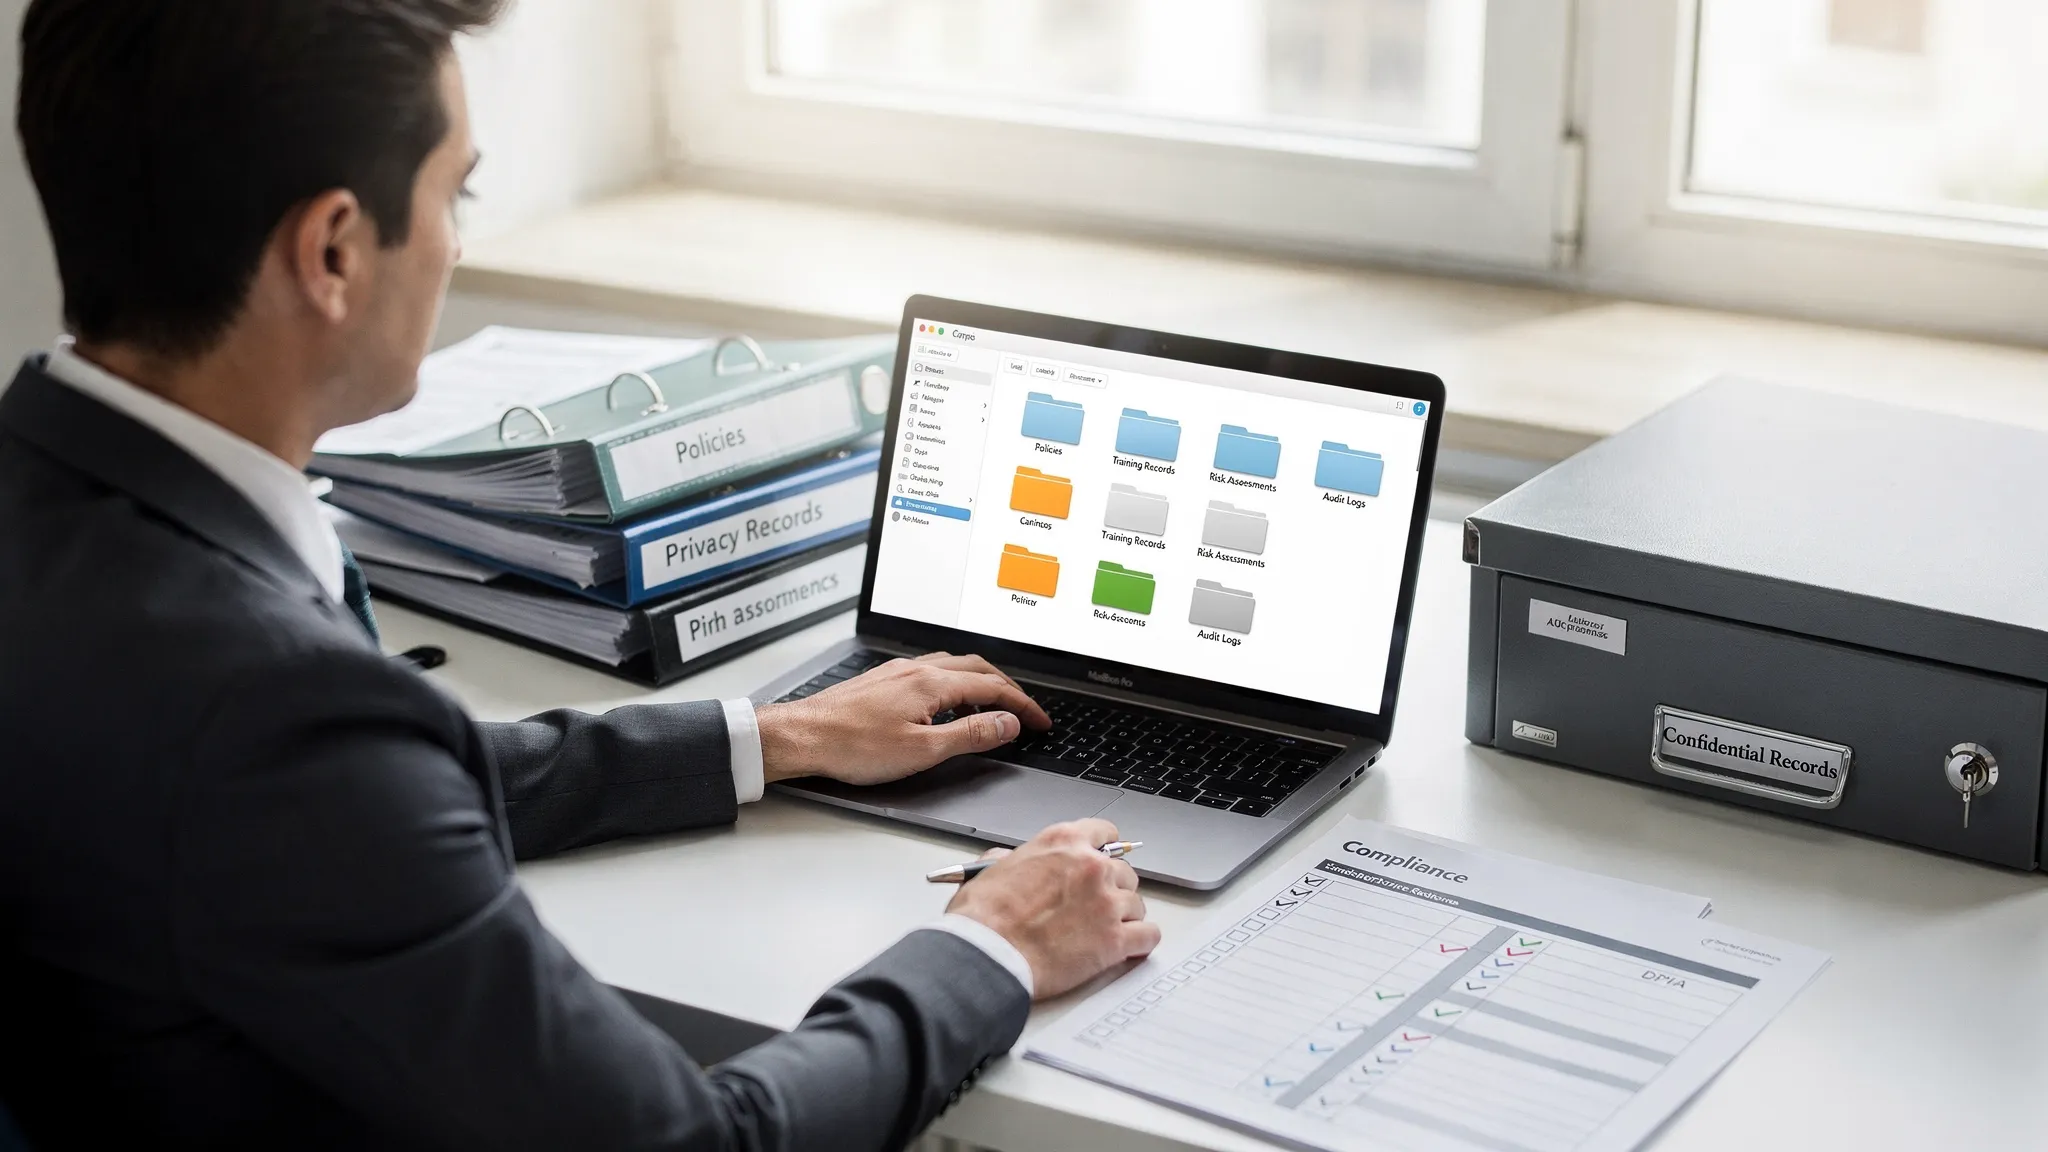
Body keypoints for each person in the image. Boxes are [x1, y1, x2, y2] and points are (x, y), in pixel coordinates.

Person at [0, 2, 1159, 1148]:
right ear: (335, 251)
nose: (457, 244)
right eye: (455, 195)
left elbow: (349, 806)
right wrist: (991, 947)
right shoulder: (278, 718)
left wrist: (772, 737)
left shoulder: (58, 515)